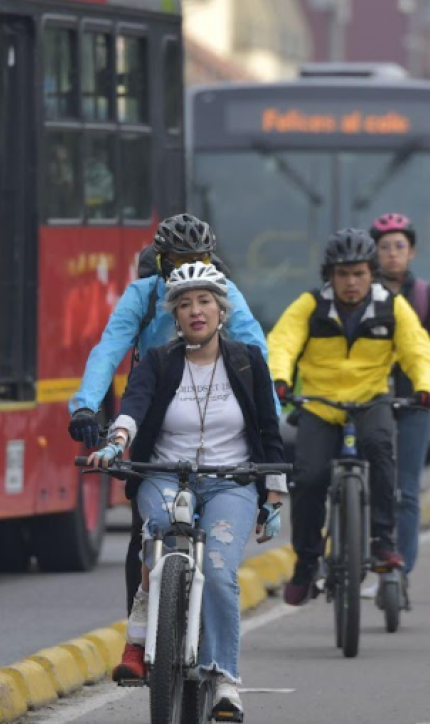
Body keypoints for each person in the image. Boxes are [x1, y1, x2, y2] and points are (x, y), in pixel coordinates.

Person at [87, 262, 285, 722]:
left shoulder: (245, 361)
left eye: (205, 302)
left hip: (229, 480)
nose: (196, 311)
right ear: (174, 315)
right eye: (185, 304)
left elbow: (267, 431)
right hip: (163, 475)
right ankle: (143, 627)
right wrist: (116, 441)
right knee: (156, 536)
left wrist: (273, 494)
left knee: (217, 569)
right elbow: (132, 407)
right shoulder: (158, 361)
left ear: (222, 310)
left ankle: (224, 681)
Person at [68, 213, 275, 615]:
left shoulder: (222, 291)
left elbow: (256, 353)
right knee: (143, 534)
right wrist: (86, 406)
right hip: (153, 409)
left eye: (197, 258)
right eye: (177, 260)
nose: (187, 269)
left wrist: (269, 425)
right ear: (161, 260)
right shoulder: (144, 295)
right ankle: (138, 632)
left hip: (214, 414)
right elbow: (109, 349)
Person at [268, 228, 430, 606]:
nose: (351, 282)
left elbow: (418, 349)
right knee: (310, 477)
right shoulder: (309, 305)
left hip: (371, 400)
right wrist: (278, 379)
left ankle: (383, 543)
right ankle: (307, 561)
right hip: (319, 404)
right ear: (329, 275)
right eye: (343, 274)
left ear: (372, 273)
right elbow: (282, 343)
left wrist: (427, 385)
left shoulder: (392, 306)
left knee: (381, 451)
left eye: (359, 273)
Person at [369, 213, 430, 595]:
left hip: (413, 402)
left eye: (399, 246)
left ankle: (399, 572)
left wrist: (427, 378)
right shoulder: (359, 291)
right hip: (367, 401)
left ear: (412, 252)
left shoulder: (425, 296)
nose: (391, 254)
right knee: (362, 482)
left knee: (406, 490)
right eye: (384, 247)